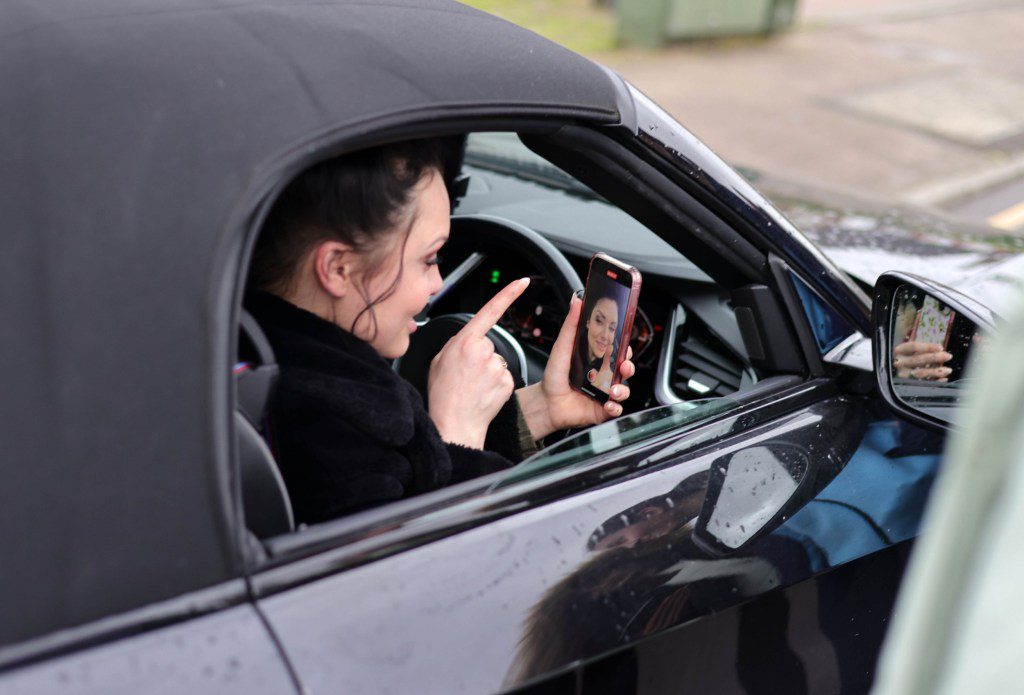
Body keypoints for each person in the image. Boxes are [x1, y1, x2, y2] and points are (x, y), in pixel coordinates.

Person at [245, 138, 634, 524]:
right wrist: (459, 430)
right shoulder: (324, 433)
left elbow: (409, 474)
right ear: (337, 269)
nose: (437, 283)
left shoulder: (259, 364)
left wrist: (538, 410)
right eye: (429, 259)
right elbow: (439, 574)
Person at [570, 294, 620, 393]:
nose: (605, 335)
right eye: (599, 320)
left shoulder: (612, 367)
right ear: (588, 322)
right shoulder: (571, 348)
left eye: (612, 328)